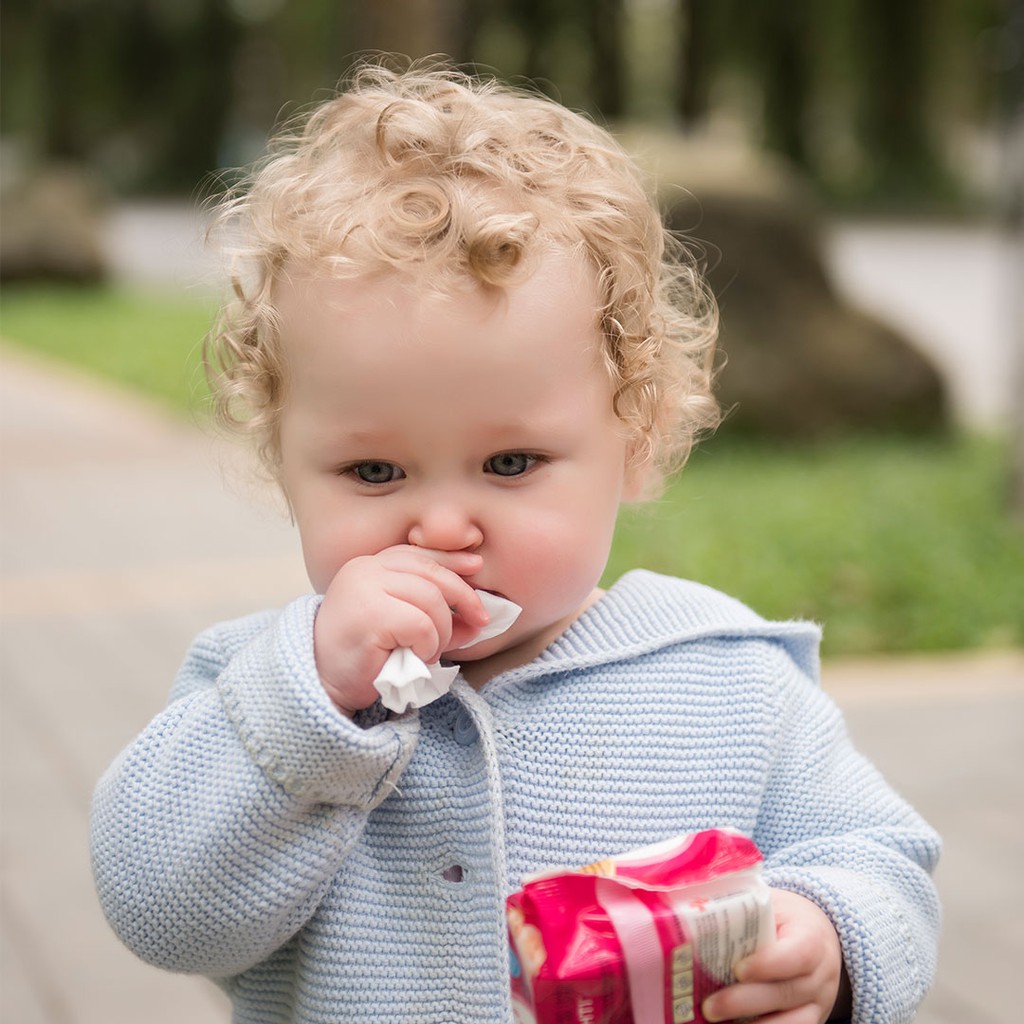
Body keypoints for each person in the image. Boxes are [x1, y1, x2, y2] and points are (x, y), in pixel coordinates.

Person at [90, 58, 940, 1024]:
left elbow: (882, 863)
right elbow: (159, 912)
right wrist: (309, 701)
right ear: (283, 464)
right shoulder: (262, 695)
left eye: (511, 464)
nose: (444, 526)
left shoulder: (729, 677)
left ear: (639, 438)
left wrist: (830, 940)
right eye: (374, 473)